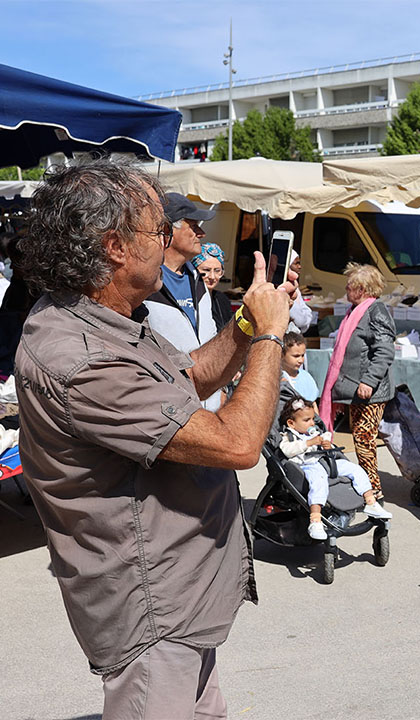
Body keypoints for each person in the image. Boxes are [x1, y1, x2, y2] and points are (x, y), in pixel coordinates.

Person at [14, 159, 292, 717]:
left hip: (178, 598)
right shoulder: (81, 357)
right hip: (151, 607)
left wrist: (241, 326)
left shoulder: (104, 317)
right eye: (161, 230)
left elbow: (186, 377)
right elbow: (237, 443)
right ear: (116, 246)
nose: (172, 242)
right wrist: (269, 336)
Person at [318, 263, 396, 501]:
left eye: (349, 286)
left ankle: (372, 490)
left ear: (362, 289)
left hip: (370, 391)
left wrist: (369, 381)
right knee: (361, 439)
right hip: (356, 389)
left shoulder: (376, 312)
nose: (346, 290)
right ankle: (368, 486)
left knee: (364, 439)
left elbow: (384, 351)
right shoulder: (357, 310)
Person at [145, 192, 220, 410]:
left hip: (207, 408)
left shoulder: (198, 281)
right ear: (168, 230)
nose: (202, 233)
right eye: (194, 226)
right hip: (169, 411)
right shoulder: (146, 283)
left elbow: (209, 337)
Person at [279, 397, 392, 541]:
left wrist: (327, 446)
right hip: (306, 466)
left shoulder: (314, 433)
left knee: (355, 469)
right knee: (318, 481)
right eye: (307, 420)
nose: (312, 423)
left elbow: (327, 447)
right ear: (291, 423)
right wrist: (308, 442)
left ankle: (370, 502)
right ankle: (315, 520)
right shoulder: (288, 436)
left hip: (324, 461)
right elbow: (287, 450)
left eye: (313, 419)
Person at [192, 242, 234, 330]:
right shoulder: (187, 299)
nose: (212, 276)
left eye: (217, 271)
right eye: (206, 270)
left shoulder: (222, 300)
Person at [281, 331, 319, 404]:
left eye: (302, 355)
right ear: (282, 355)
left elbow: (313, 404)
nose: (301, 360)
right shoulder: (277, 378)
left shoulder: (306, 377)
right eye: (296, 356)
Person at [287, 252, 315, 333]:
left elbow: (306, 312)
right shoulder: (286, 289)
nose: (299, 267)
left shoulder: (295, 288)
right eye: (296, 263)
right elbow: (301, 321)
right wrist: (306, 318)